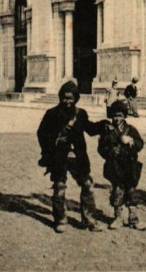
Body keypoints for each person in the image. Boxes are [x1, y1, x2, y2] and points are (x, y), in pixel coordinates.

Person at [37, 80, 103, 233]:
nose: (67, 101)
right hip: (58, 157)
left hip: (78, 157)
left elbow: (91, 129)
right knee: (59, 188)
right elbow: (41, 134)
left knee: (87, 185)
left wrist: (105, 125)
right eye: (64, 98)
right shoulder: (52, 114)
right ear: (60, 97)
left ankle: (89, 219)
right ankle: (60, 220)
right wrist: (49, 149)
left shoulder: (81, 114)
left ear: (76, 98)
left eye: (70, 98)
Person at [96, 100, 146, 230]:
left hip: (130, 165)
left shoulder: (130, 130)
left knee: (131, 190)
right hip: (115, 165)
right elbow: (101, 148)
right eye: (114, 115)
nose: (117, 118)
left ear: (124, 116)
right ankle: (118, 217)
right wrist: (110, 151)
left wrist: (132, 141)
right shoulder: (107, 131)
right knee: (117, 190)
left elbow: (140, 144)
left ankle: (133, 218)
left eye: (120, 115)